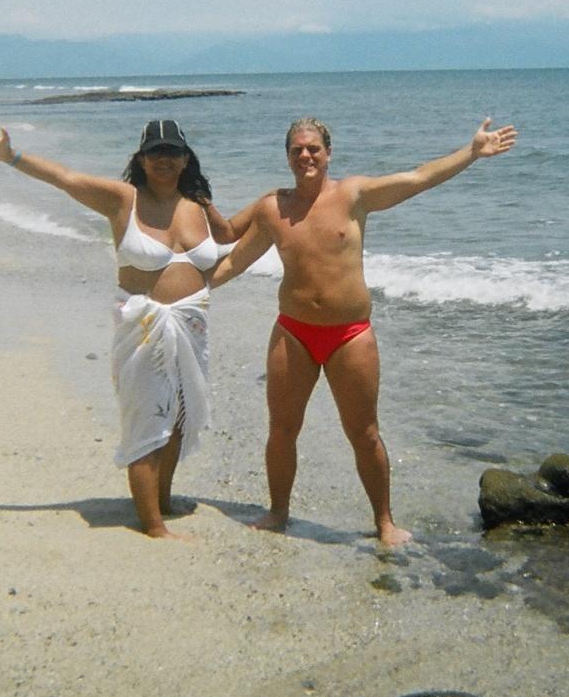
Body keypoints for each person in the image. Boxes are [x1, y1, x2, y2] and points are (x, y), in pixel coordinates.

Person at [211, 116, 518, 546]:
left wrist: (471, 152)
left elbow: (418, 178)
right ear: (287, 157)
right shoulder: (272, 209)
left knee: (364, 433)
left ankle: (384, 522)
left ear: (328, 153)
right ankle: (278, 512)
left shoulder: (353, 194)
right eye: (297, 150)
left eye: (313, 148)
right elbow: (232, 262)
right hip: (293, 333)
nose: (305, 155)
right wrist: (177, 293)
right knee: (282, 429)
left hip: (349, 335)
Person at [0, 118, 239, 539]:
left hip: (191, 327)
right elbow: (65, 178)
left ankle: (163, 502)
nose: (164, 159)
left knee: (178, 419)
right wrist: (11, 156)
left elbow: (231, 238)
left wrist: (278, 209)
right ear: (141, 159)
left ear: (186, 159)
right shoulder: (123, 199)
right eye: (155, 152)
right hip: (144, 327)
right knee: (148, 421)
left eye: (172, 151)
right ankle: (153, 527)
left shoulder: (197, 205)